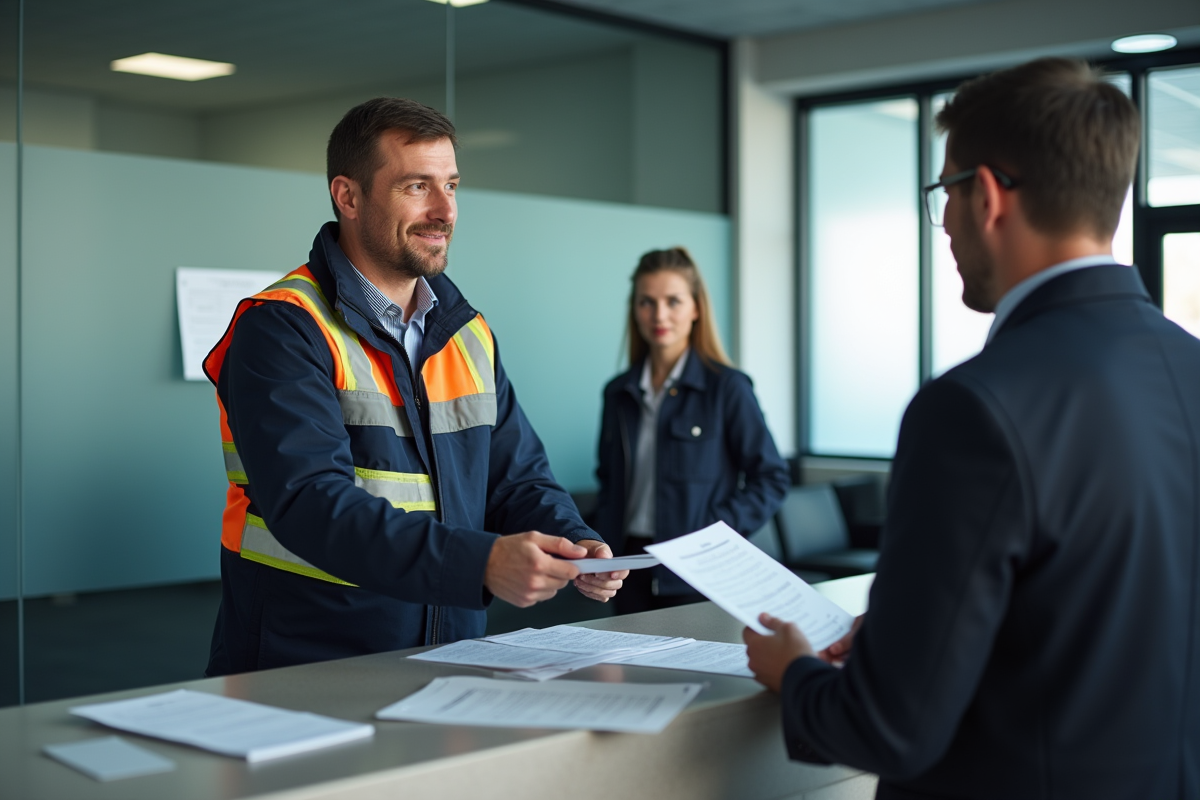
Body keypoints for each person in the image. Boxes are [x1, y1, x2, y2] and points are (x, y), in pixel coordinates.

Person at [744, 57, 1200, 799]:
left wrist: (790, 669)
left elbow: (889, 727)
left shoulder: (973, 410)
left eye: (945, 192)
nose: (945, 222)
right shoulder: (1190, 367)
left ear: (984, 195)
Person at [203, 97, 626, 675]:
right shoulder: (282, 327)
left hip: (450, 653)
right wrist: (478, 562)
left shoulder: (466, 332)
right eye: (416, 187)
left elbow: (516, 477)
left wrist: (574, 542)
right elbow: (309, 503)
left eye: (451, 185)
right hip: (309, 663)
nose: (444, 210)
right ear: (348, 196)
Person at [595, 247, 789, 614]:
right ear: (634, 310)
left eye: (673, 301)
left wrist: (716, 531)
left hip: (700, 570)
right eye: (646, 302)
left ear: (696, 308)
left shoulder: (728, 388)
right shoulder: (617, 392)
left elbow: (772, 478)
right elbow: (609, 480)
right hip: (626, 568)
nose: (659, 315)